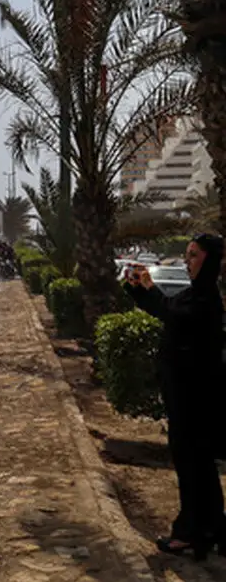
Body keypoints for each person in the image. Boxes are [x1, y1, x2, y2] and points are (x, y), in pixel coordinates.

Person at [125, 233, 226, 560]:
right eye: (187, 255)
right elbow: (165, 308)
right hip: (185, 399)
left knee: (192, 466)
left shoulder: (206, 300)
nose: (187, 260)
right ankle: (212, 529)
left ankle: (190, 533)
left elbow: (172, 312)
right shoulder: (194, 294)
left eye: (194, 255)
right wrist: (137, 287)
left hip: (194, 401)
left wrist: (150, 289)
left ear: (209, 261)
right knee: (199, 466)